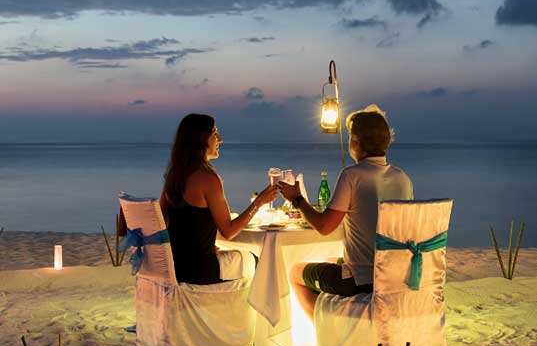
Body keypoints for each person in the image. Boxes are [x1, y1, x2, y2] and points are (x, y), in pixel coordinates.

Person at [278, 105, 413, 318]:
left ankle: (326, 335)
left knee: (295, 272)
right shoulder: (402, 178)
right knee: (332, 259)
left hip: (361, 281)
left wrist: (297, 199)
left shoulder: (352, 175)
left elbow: (324, 226)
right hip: (396, 277)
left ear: (356, 141)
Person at [161, 113, 277, 284]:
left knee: (237, 255)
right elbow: (228, 231)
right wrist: (259, 202)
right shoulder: (208, 179)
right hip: (201, 269)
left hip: (176, 266)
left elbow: (164, 221)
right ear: (200, 140)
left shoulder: (174, 176)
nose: (220, 139)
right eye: (214, 133)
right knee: (261, 262)